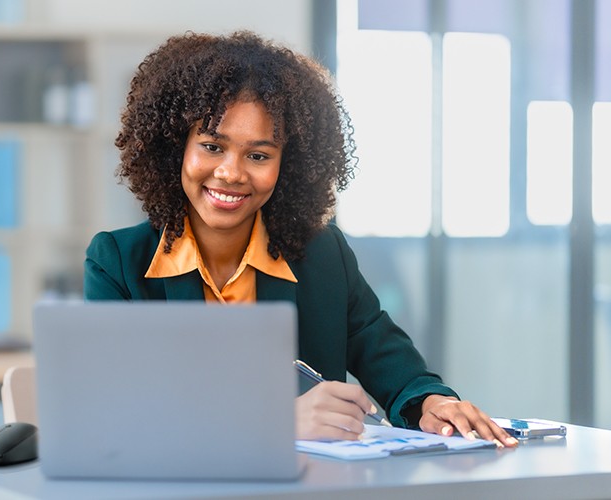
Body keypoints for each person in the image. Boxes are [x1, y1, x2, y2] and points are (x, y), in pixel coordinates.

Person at [84, 30, 518, 448]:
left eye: (258, 155)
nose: (231, 172)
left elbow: (393, 363)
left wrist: (431, 402)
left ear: (288, 165)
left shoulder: (323, 255)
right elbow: (115, 409)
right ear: (176, 147)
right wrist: (275, 421)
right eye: (213, 146)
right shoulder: (118, 261)